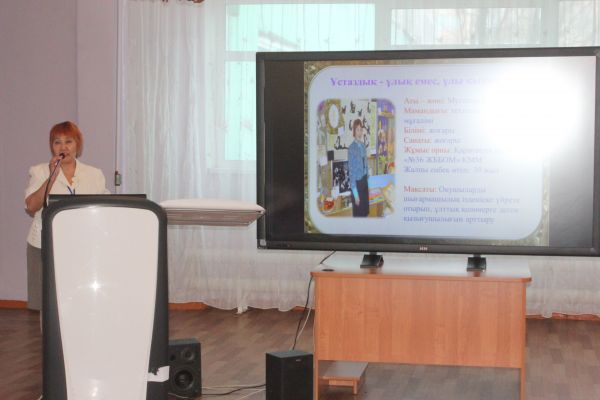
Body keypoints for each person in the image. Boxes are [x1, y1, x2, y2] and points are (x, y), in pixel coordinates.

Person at [24, 121, 110, 310]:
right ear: (52, 146)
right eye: (57, 142)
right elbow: (31, 206)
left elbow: (105, 209)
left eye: (68, 141)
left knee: (80, 302)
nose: (63, 147)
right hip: (45, 245)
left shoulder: (94, 174)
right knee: (46, 305)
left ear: (78, 144)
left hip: (83, 246)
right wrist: (51, 177)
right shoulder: (39, 171)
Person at [348, 119, 369, 217]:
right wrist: (355, 195)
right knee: (359, 214)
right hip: (357, 184)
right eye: (357, 130)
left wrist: (367, 178)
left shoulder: (363, 146)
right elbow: (351, 172)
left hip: (364, 181)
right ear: (354, 131)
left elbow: (365, 164)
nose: (359, 132)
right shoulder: (351, 148)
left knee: (365, 213)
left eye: (361, 130)